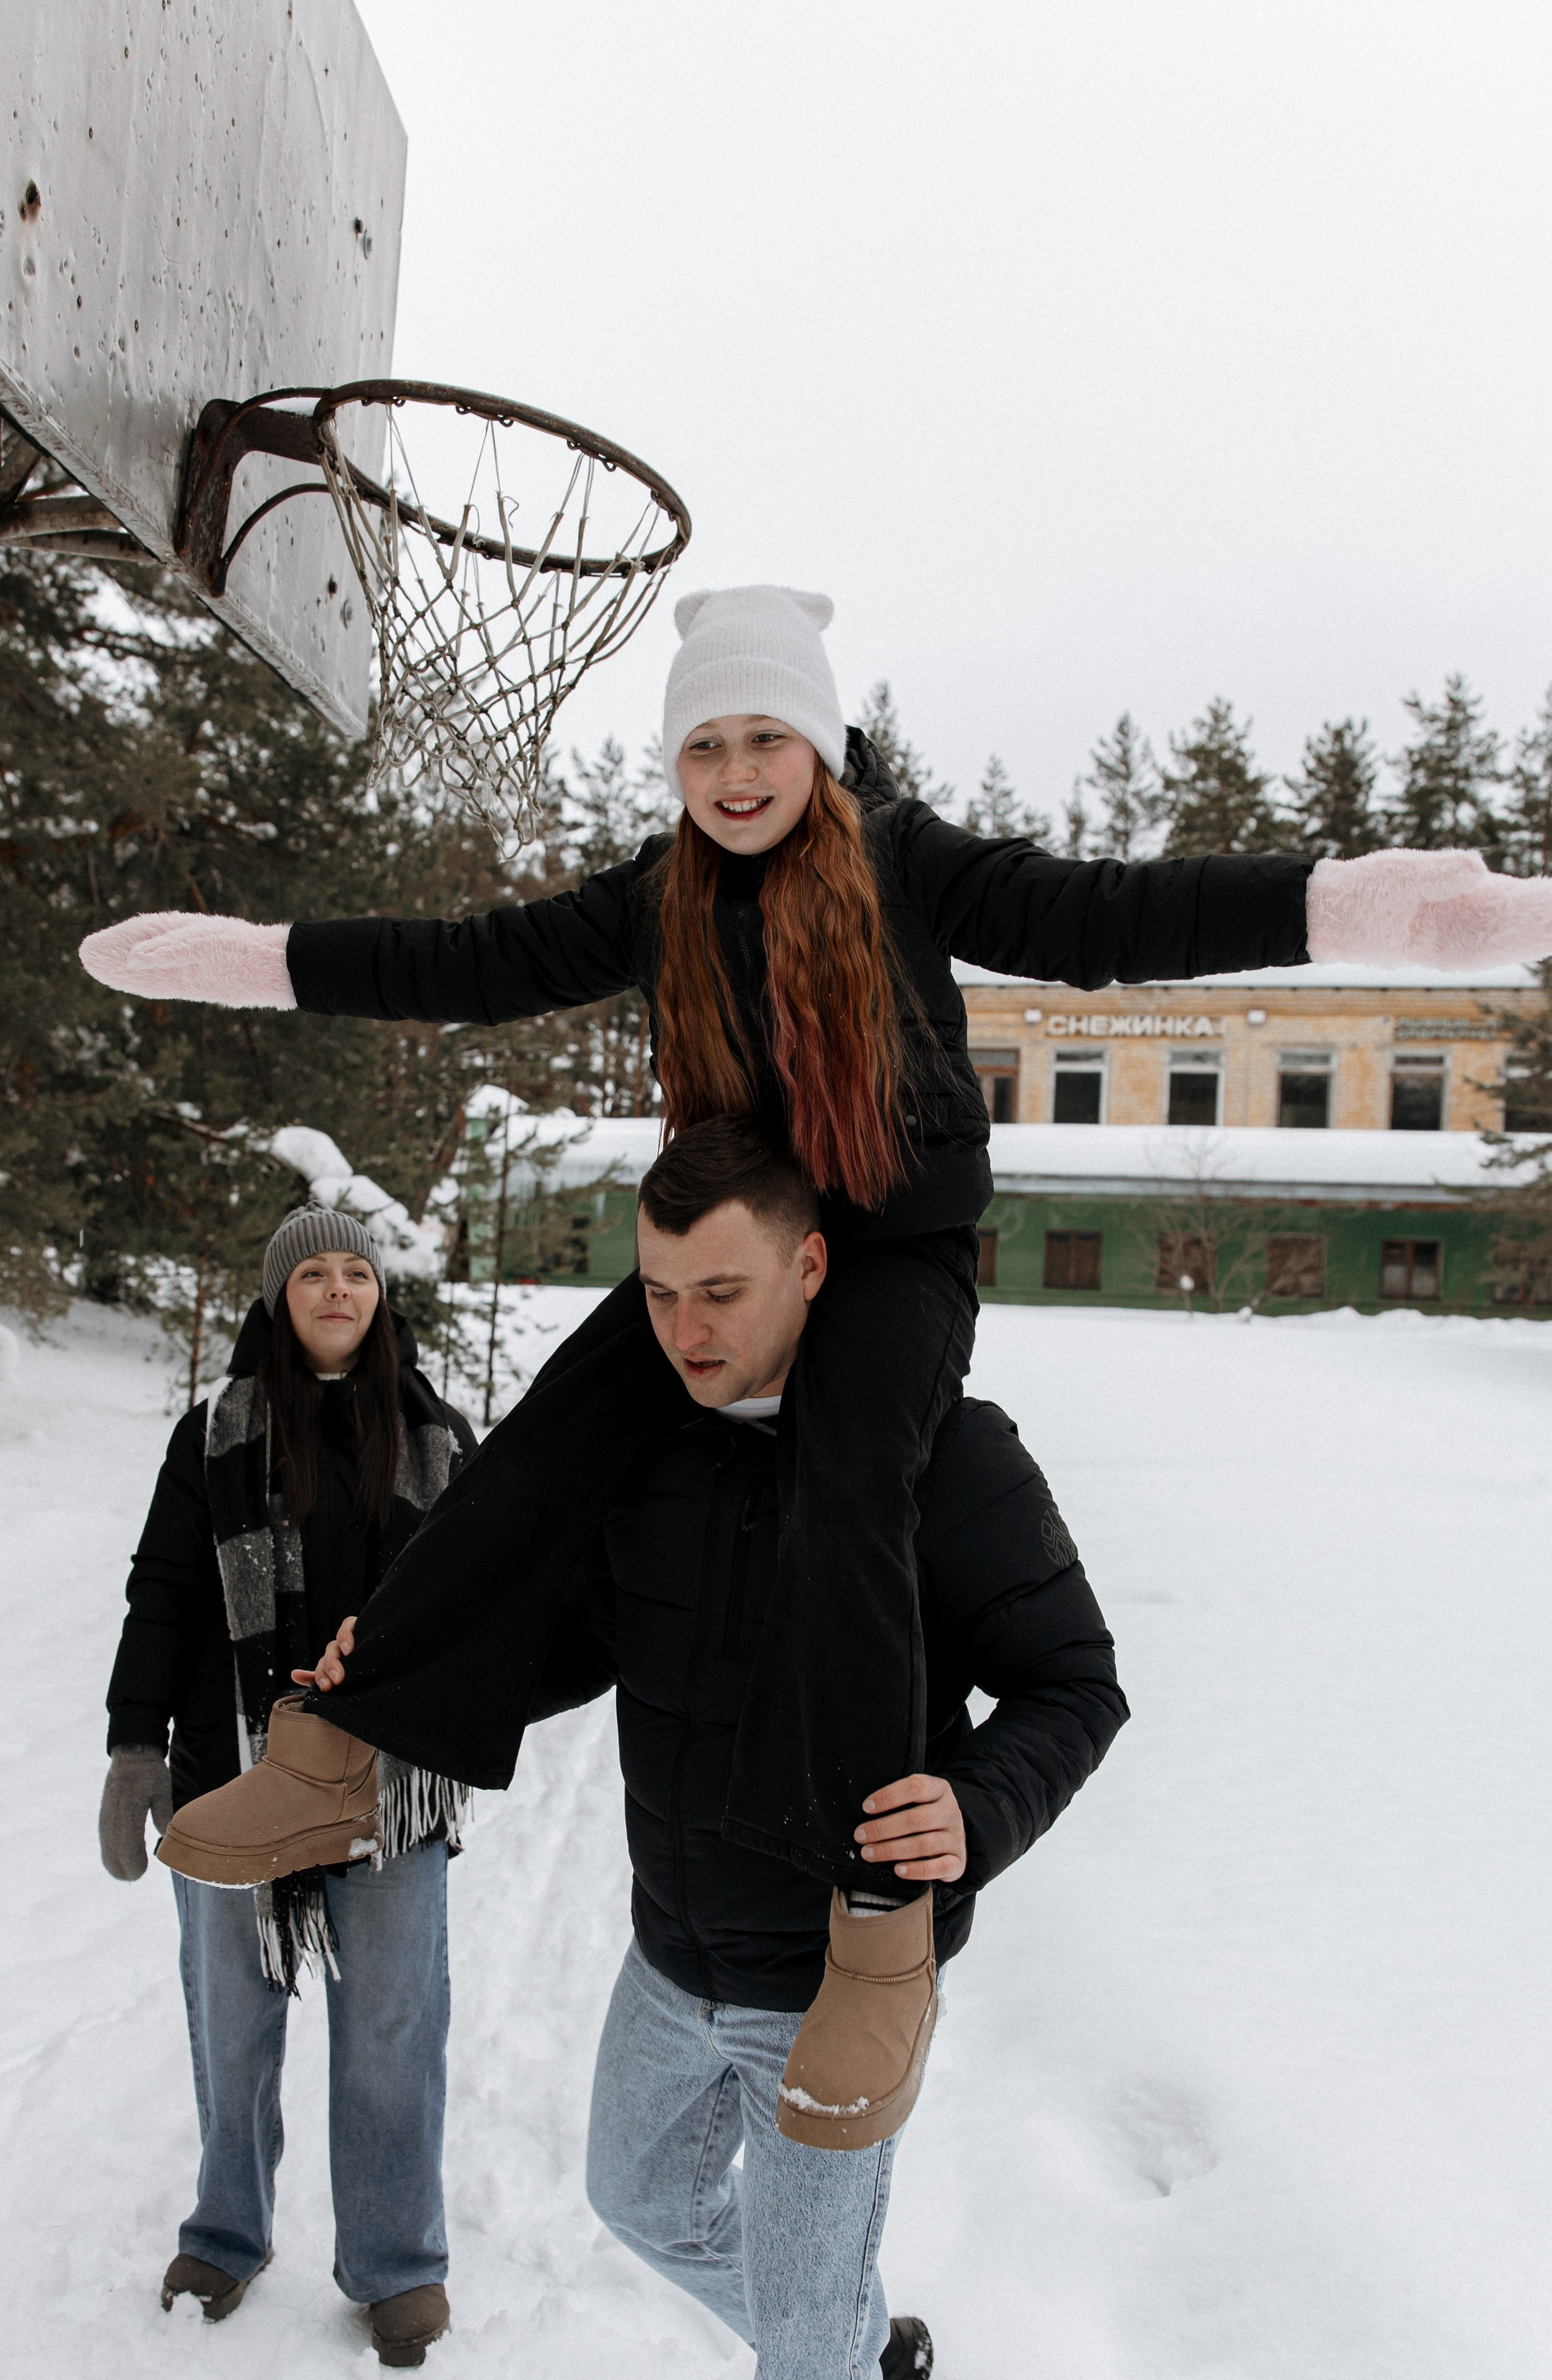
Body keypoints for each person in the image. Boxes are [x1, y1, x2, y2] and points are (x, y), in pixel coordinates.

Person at [79, 585, 1552, 2151]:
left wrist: (1352, 910)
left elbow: (1111, 919)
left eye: (761, 736)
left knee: (849, 1502)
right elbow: (470, 959)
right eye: (702, 742)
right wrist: (263, 961)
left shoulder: (905, 863)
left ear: (816, 743)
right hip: (735, 1229)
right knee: (542, 1448)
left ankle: (874, 1932)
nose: (731, 771)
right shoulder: (657, 893)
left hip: (892, 1252)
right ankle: (344, 1755)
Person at [308, 1116, 1128, 2380]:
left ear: (813, 1269)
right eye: (660, 1290)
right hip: (669, 1947)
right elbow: (573, 1642)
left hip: (837, 1977)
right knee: (635, 2196)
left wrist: (977, 1806)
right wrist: (397, 1671)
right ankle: (834, 2352)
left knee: (804, 2347)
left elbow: (1073, 1683)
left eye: (724, 1291)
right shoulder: (655, 1448)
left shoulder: (942, 1455)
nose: (686, 1329)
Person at [98, 1204, 474, 2366]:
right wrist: (135, 1746)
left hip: (387, 1792)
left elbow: (480, 1609)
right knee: (231, 2019)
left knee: (393, 2028)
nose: (336, 1290)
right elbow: (163, 1589)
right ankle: (225, 2233)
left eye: (355, 1271)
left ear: (379, 1294)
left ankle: (396, 2265)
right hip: (235, 1775)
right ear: (279, 1297)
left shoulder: (438, 1437)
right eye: (311, 1272)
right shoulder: (214, 1432)